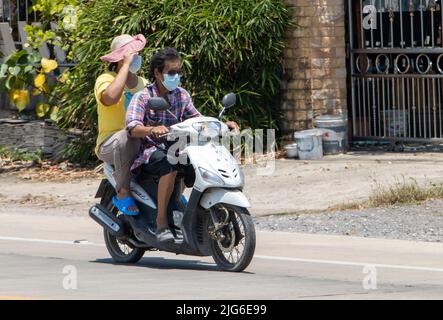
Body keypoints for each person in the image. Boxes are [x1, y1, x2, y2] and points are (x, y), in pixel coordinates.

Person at [126, 47, 239, 242]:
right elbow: (132, 127)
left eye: (179, 72)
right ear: (157, 73)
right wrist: (152, 129)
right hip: (151, 151)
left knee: (201, 166)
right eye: (171, 72)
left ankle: (190, 214)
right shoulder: (143, 97)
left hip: (179, 148)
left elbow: (196, 119)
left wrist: (222, 124)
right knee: (170, 163)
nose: (176, 76)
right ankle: (161, 223)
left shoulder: (182, 95)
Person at [94, 34, 148, 216]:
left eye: (138, 54)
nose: (137, 58)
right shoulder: (105, 79)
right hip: (110, 143)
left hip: (141, 142)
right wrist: (124, 66)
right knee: (130, 133)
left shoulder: (144, 83)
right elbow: (110, 98)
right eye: (133, 55)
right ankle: (122, 190)